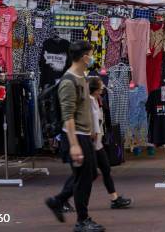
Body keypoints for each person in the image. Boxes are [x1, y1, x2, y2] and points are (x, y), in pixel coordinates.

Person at [45, 41, 104, 232]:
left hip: (85, 135)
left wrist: (92, 130)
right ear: (84, 57)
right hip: (76, 136)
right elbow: (68, 115)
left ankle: (58, 200)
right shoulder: (68, 82)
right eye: (90, 54)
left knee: (89, 174)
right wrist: (74, 145)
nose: (92, 58)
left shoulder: (82, 77)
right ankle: (82, 220)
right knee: (83, 179)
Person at [56, 76, 132, 212]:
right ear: (94, 89)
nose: (103, 88)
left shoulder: (96, 101)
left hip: (97, 143)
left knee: (105, 169)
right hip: (89, 143)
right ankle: (63, 199)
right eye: (100, 86)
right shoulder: (88, 101)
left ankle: (114, 199)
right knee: (82, 175)